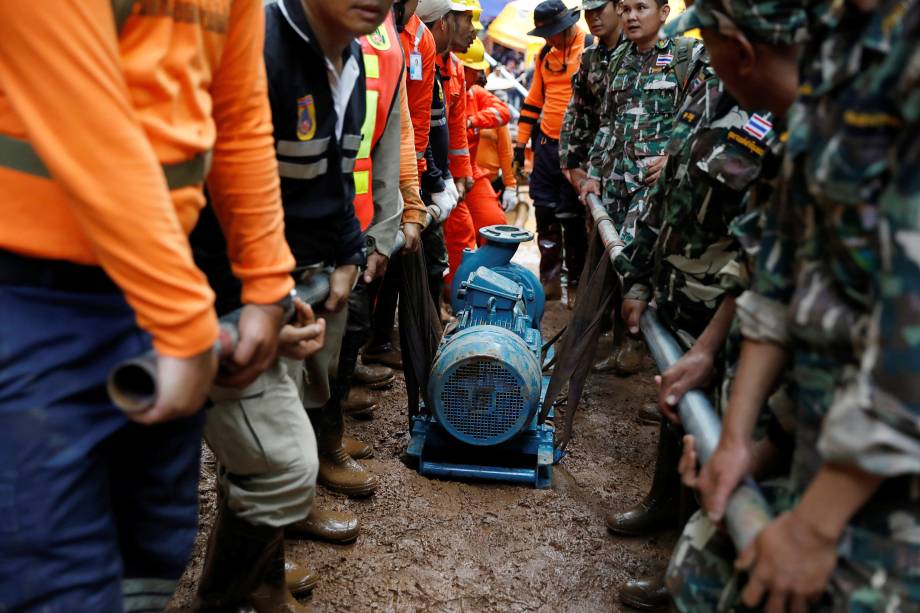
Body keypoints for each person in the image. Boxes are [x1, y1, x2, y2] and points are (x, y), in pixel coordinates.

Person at [0, 1, 298, 610]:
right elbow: (83, 116)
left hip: (157, 282)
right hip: (29, 294)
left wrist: (268, 282)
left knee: (154, 543)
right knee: (53, 571)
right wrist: (188, 324)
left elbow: (238, 114)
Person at [664, 0, 920, 610]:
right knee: (699, 574)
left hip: (894, 479)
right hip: (820, 432)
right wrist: (738, 441)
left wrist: (816, 525)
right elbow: (777, 266)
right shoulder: (836, 45)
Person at [609, 19, 788, 613]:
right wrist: (639, 274)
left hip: (733, 309)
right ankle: (668, 512)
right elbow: (674, 185)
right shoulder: (708, 82)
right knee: (680, 412)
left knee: (717, 438)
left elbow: (766, 247)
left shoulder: (800, 124)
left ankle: (686, 552)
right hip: (683, 291)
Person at [263, 0, 391, 502]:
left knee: (304, 397)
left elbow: (338, 171)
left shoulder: (353, 58)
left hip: (315, 266)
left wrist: (347, 252)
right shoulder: (260, 46)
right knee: (265, 433)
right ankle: (258, 567)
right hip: (260, 273)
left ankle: (285, 528)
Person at [514, 0, 592, 306]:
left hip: (576, 147)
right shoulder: (545, 53)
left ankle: (575, 282)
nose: (549, 40)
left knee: (572, 217)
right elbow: (534, 100)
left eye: (553, 33)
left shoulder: (590, 49)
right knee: (544, 211)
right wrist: (520, 145)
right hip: (546, 143)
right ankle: (550, 280)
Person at [456, 38, 512, 242]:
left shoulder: (476, 94)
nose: (481, 75)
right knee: (459, 234)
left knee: (495, 226)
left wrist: (471, 121)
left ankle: (485, 271)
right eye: (475, 70)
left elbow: (503, 113)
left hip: (472, 174)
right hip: (447, 176)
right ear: (461, 68)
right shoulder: (442, 93)